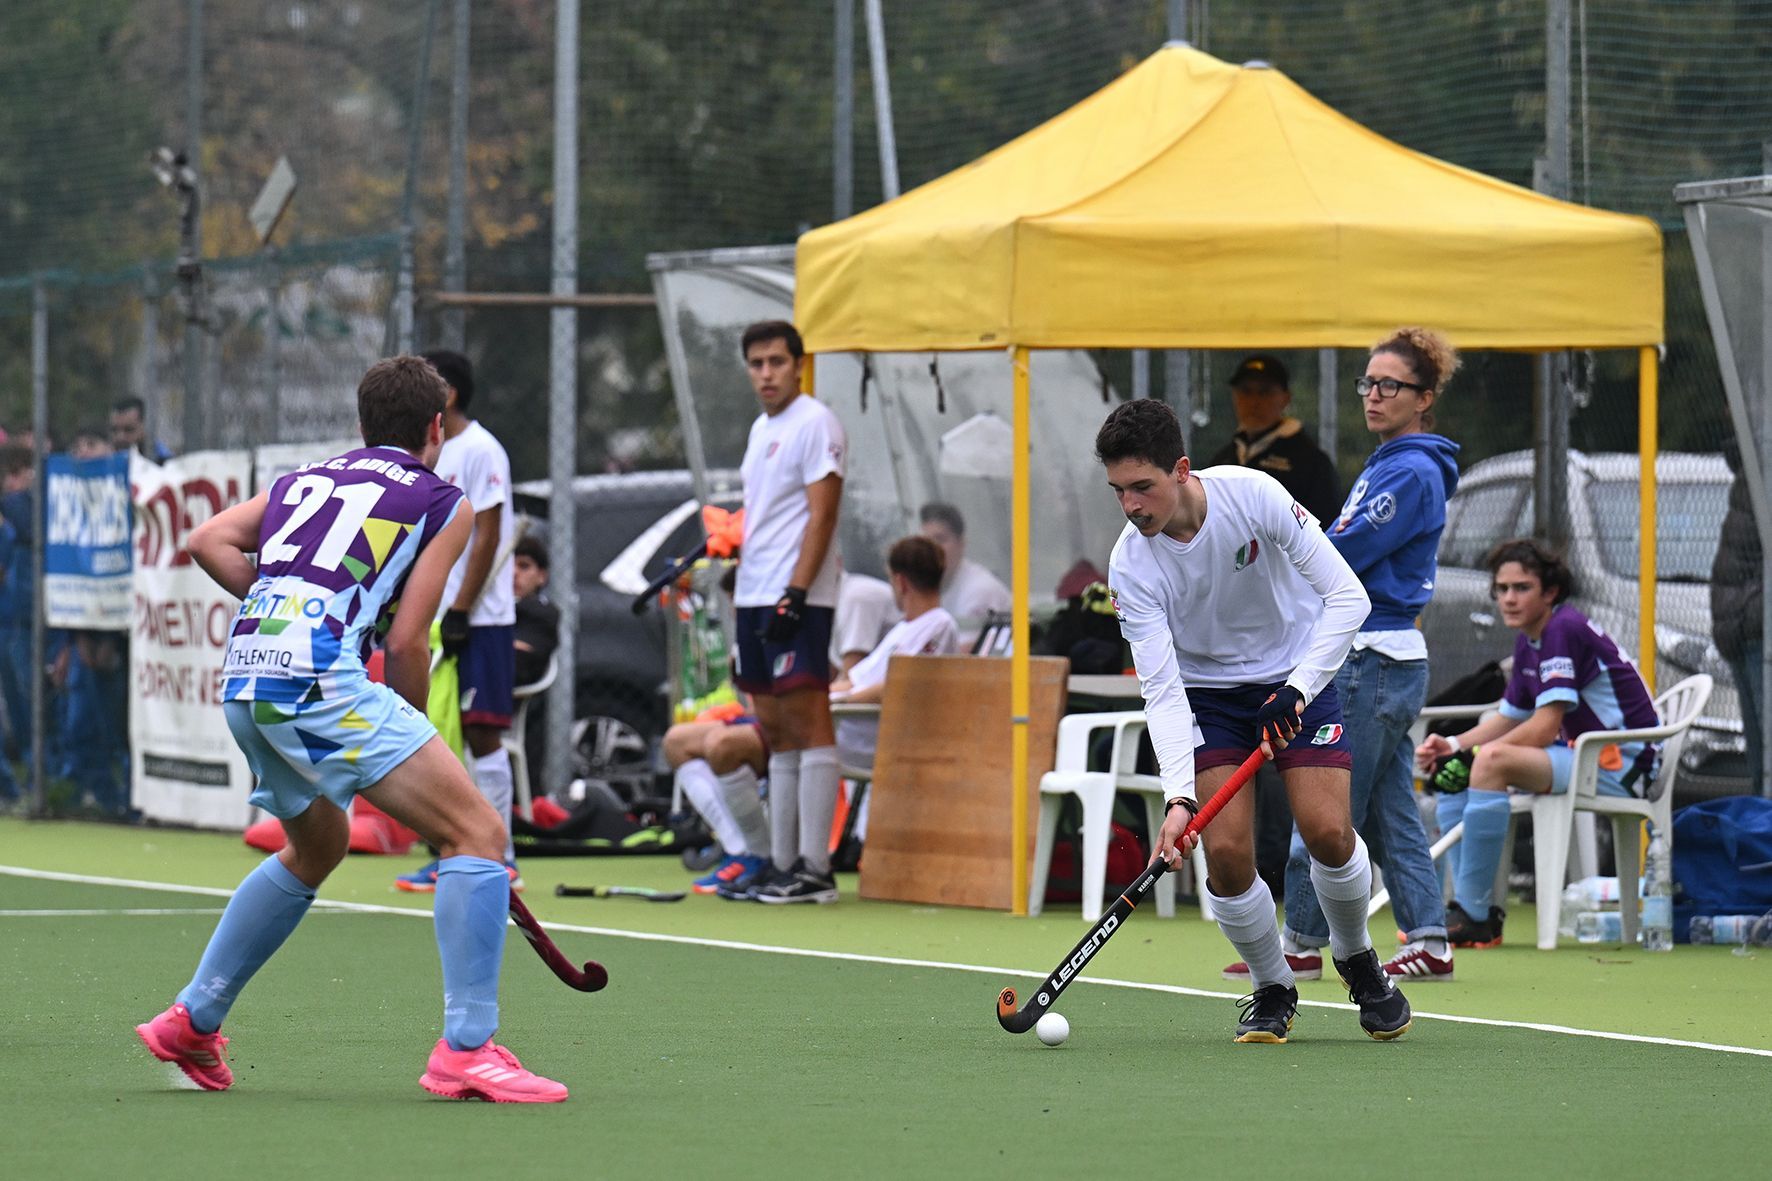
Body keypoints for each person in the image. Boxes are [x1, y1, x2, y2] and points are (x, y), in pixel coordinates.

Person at [134, 354, 568, 1102]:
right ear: (436, 427)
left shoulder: (305, 480)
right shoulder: (442, 500)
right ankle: (467, 1050)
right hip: (321, 680)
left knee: (318, 846)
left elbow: (207, 540)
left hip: (249, 676)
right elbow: (407, 641)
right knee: (477, 833)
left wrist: (281, 604)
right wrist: (413, 728)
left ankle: (192, 1021)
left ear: (364, 426)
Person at [1100, 397, 1411, 1043]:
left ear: (1181, 469)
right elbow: (1162, 690)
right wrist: (1178, 798)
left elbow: (1348, 597)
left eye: (1141, 486)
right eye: (1118, 491)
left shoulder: (1255, 495)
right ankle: (1273, 985)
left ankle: (1355, 955)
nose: (1130, 505)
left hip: (1297, 677)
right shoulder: (1130, 565)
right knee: (1226, 853)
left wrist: (1297, 688)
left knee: (1328, 832)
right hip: (1210, 699)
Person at [1235, 328, 1462, 985]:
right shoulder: (1390, 461)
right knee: (1390, 812)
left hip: (1373, 655)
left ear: (1424, 398)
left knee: (1324, 803)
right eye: (1368, 382)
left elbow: (1345, 551)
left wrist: (1279, 560)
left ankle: (1300, 945)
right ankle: (1430, 940)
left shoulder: (1411, 470)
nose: (1373, 395)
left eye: (1390, 385)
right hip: (1380, 655)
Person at [1417, 539, 1660, 948]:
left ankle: (1474, 916)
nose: (1509, 599)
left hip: (1624, 764)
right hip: (1582, 758)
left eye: (1522, 588)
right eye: (1502, 589)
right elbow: (1510, 716)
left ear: (1550, 592)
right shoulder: (1530, 639)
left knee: (1489, 762)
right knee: (1453, 774)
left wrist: (1476, 756)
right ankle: (1469, 908)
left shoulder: (1562, 630)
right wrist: (1453, 745)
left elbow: (1545, 726)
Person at [727, 320, 847, 903]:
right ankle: (781, 864)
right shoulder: (760, 428)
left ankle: (816, 870)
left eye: (777, 361)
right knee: (773, 728)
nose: (766, 373)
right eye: (757, 364)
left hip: (795, 594)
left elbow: (823, 514)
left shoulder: (816, 422)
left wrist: (795, 593)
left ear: (799, 365)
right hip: (752, 593)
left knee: (808, 718)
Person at [396, 349, 522, 892]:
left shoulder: (481, 449)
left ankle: (500, 856)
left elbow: (488, 533)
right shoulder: (427, 452)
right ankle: (453, 848)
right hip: (436, 618)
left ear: (448, 393)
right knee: (438, 732)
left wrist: (464, 608)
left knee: (482, 731)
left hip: (480, 619)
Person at [825, 534, 961, 844]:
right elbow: (856, 679)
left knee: (795, 745)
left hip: (880, 733)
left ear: (900, 582)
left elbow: (899, 687)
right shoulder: (903, 628)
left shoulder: (939, 625)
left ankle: (806, 851)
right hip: (853, 723)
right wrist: (820, 696)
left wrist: (834, 703)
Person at [1207, 355, 1342, 526]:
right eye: (1246, 391)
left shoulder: (1310, 462)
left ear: (1286, 398)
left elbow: (1326, 527)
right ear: (1234, 396)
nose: (1254, 401)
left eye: (1265, 392)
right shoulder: (1223, 459)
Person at [1711, 438, 1762, 795]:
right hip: (1741, 630)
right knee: (1759, 763)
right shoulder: (1751, 463)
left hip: (1754, 627)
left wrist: (1752, 609)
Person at [918, 502, 1010, 647]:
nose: (932, 549)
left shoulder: (980, 590)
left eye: (940, 540)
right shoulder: (932, 586)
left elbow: (967, 652)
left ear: (961, 543)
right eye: (926, 542)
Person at [109, 395, 174, 463]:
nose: (120, 437)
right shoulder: (107, 460)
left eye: (128, 430)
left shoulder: (165, 463)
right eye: (114, 430)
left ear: (145, 427)